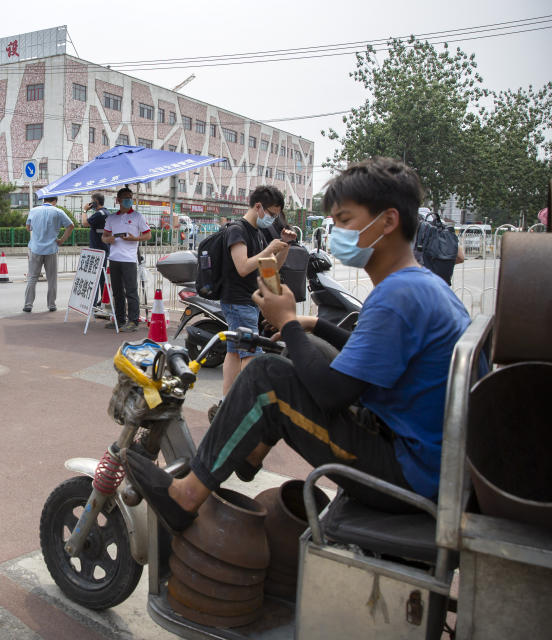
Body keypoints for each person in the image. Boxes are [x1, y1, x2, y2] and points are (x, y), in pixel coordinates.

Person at [125, 157, 473, 534]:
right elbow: (364, 352)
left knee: (264, 376)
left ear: (388, 221)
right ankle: (250, 453)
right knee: (300, 348)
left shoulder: (398, 294)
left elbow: (332, 394)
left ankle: (186, 496)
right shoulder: (419, 284)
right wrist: (313, 325)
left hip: (410, 474)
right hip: (426, 459)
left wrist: (288, 322)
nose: (336, 232)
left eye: (344, 220)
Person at [219, 186, 293, 397]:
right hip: (238, 301)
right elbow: (242, 267)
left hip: (248, 302)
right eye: (272, 214)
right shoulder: (237, 230)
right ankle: (246, 405)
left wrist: (285, 246)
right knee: (252, 356)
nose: (272, 219)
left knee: (234, 354)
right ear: (258, 207)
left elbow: (271, 269)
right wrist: (269, 249)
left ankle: (226, 402)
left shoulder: (258, 233)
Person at [101, 187, 152, 331]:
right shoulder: (111, 218)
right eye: (125, 197)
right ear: (118, 200)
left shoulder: (138, 216)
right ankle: (119, 319)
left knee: (131, 291)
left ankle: (133, 321)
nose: (129, 200)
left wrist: (134, 238)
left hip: (129, 259)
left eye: (130, 197)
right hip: (114, 258)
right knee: (117, 291)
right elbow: (103, 236)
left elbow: (148, 235)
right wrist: (108, 239)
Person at [23, 196, 73, 313]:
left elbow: (28, 227)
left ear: (43, 200)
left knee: (32, 278)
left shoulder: (33, 210)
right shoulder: (58, 212)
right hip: (51, 248)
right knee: (52, 278)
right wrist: (61, 240)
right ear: (55, 201)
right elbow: (71, 226)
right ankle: (51, 305)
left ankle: (28, 305)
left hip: (35, 248)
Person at [85, 192, 111, 313]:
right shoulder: (107, 213)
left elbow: (85, 223)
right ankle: (103, 301)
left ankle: (94, 303)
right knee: (102, 278)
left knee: (95, 278)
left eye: (92, 201)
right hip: (104, 249)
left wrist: (85, 211)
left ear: (95, 201)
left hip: (97, 250)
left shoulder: (98, 214)